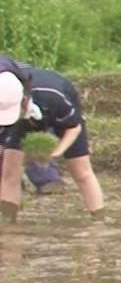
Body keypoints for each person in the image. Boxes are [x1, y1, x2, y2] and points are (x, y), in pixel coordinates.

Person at [0, 59, 106, 219]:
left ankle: (99, 219)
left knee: (82, 171)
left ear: (23, 99)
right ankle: (8, 222)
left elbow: (73, 127)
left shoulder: (53, 95)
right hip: (23, 120)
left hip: (60, 114)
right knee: (10, 171)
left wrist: (56, 153)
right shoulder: (4, 95)